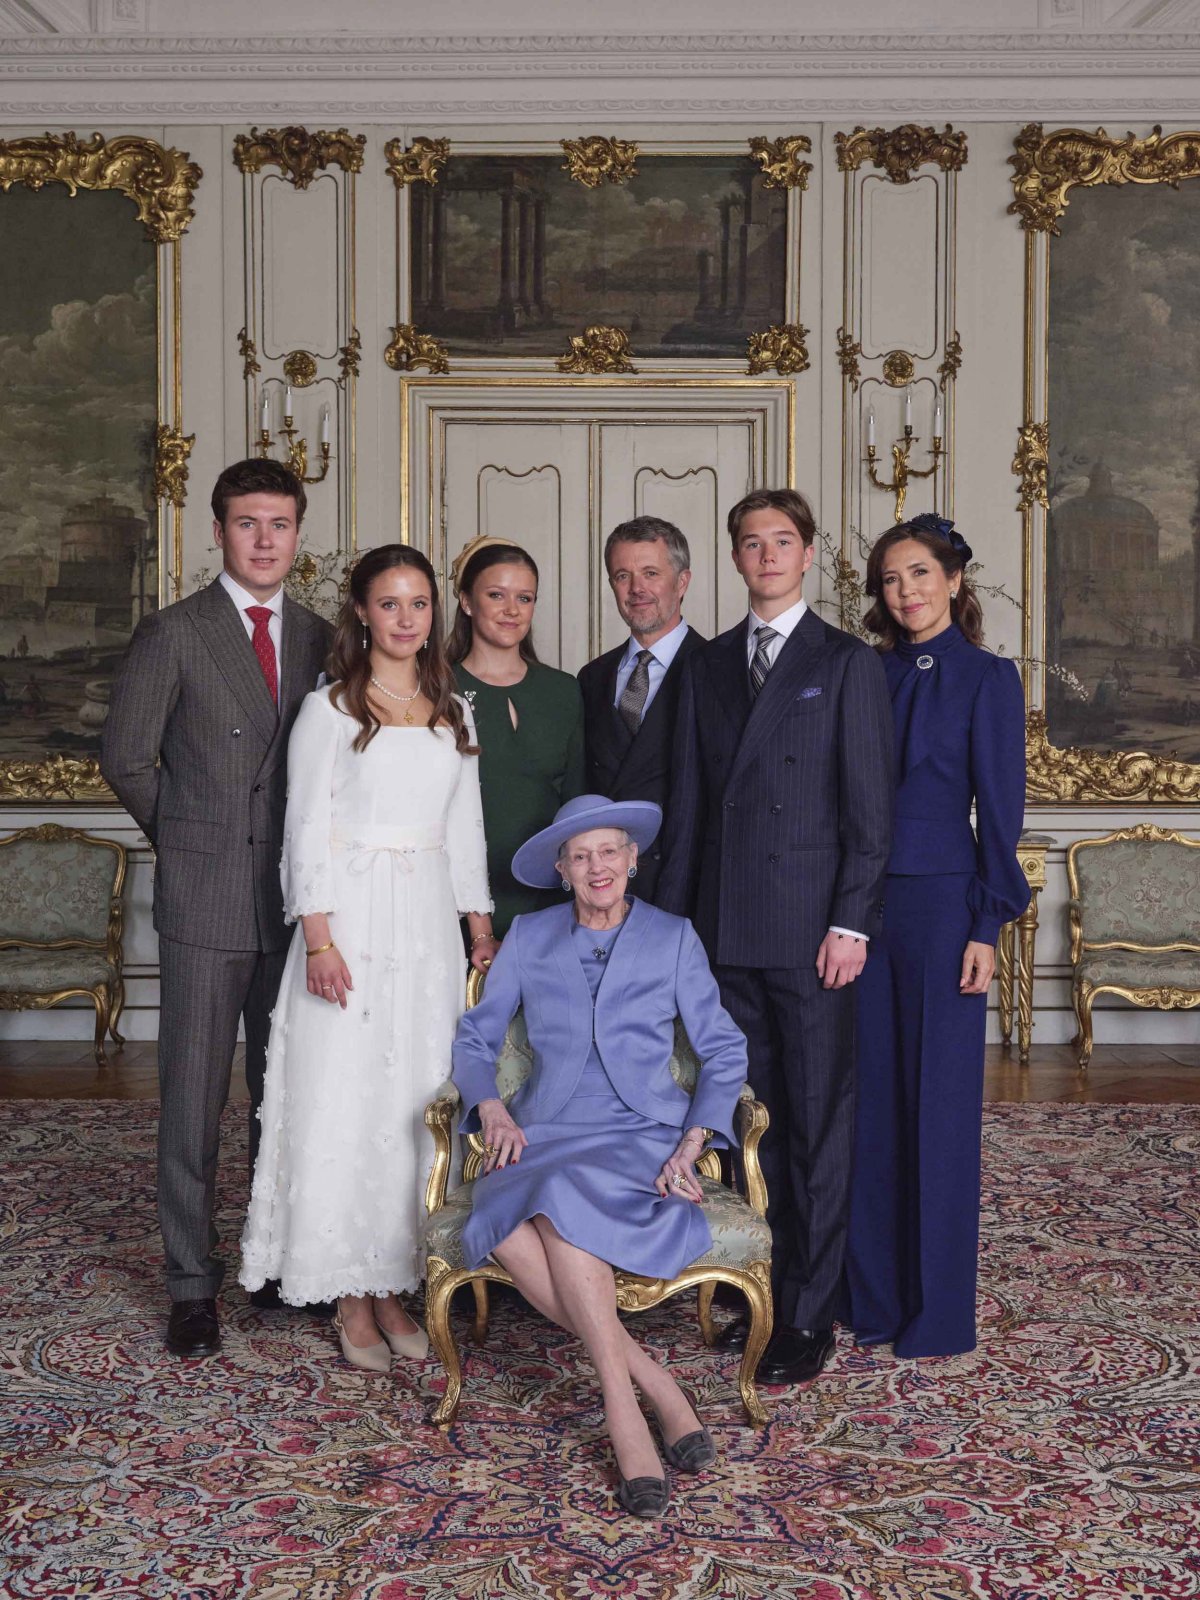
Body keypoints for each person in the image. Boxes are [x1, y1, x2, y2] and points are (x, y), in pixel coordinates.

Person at [452, 794, 746, 1518]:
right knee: (520, 1209)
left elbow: (722, 1047)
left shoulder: (673, 937)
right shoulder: (529, 936)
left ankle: (622, 1418)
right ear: (562, 870)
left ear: (633, 859)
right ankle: (653, 1388)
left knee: (548, 1209)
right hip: (542, 1130)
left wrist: (694, 1138)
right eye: (580, 856)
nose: (597, 866)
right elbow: (475, 1037)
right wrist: (489, 1105)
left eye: (609, 851)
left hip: (641, 1135)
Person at [240, 545, 497, 1371]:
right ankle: (348, 1292)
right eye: (389, 604)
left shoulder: (455, 708)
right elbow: (303, 826)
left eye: (419, 603)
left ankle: (393, 1281)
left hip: (424, 926)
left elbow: (467, 829)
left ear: (435, 612)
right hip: (346, 920)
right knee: (344, 1097)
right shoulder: (330, 711)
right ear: (361, 612)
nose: (406, 619)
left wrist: (479, 926)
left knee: (411, 1098)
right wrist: (317, 936)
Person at [658, 487, 893, 1387]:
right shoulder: (708, 665)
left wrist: (850, 923)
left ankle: (807, 1314)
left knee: (816, 1128)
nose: (766, 556)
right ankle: (750, 1286)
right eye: (750, 543)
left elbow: (872, 809)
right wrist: (676, 934)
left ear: (805, 552)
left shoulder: (845, 662)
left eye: (782, 541)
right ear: (733, 558)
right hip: (723, 934)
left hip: (810, 936)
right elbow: (684, 810)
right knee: (740, 1125)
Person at [100, 459, 332, 1356]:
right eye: (247, 523)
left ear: (298, 535)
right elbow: (127, 757)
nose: (265, 539)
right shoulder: (176, 632)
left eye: (279, 523)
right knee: (193, 1102)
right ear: (218, 532)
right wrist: (193, 836)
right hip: (206, 901)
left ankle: (277, 1263)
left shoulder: (322, 635)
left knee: (289, 1096)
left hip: (300, 906)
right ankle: (192, 1283)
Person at [843, 514, 1029, 1359]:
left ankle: (938, 1312)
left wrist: (986, 924)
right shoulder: (866, 672)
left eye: (919, 574)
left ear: (954, 579)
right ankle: (871, 1297)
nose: (905, 592)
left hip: (944, 909)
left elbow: (1001, 809)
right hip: (859, 911)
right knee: (870, 1106)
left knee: (939, 1112)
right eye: (890, 580)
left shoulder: (987, 679)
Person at [447, 536, 586, 936]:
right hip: (459, 899)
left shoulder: (563, 690)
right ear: (467, 602)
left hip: (550, 897)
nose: (512, 610)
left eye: (525, 598)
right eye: (496, 595)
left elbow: (575, 802)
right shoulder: (436, 689)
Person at [577, 516, 705, 901]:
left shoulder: (719, 671)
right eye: (622, 576)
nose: (637, 589)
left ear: (682, 582)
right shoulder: (591, 677)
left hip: (688, 888)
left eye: (651, 572)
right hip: (602, 889)